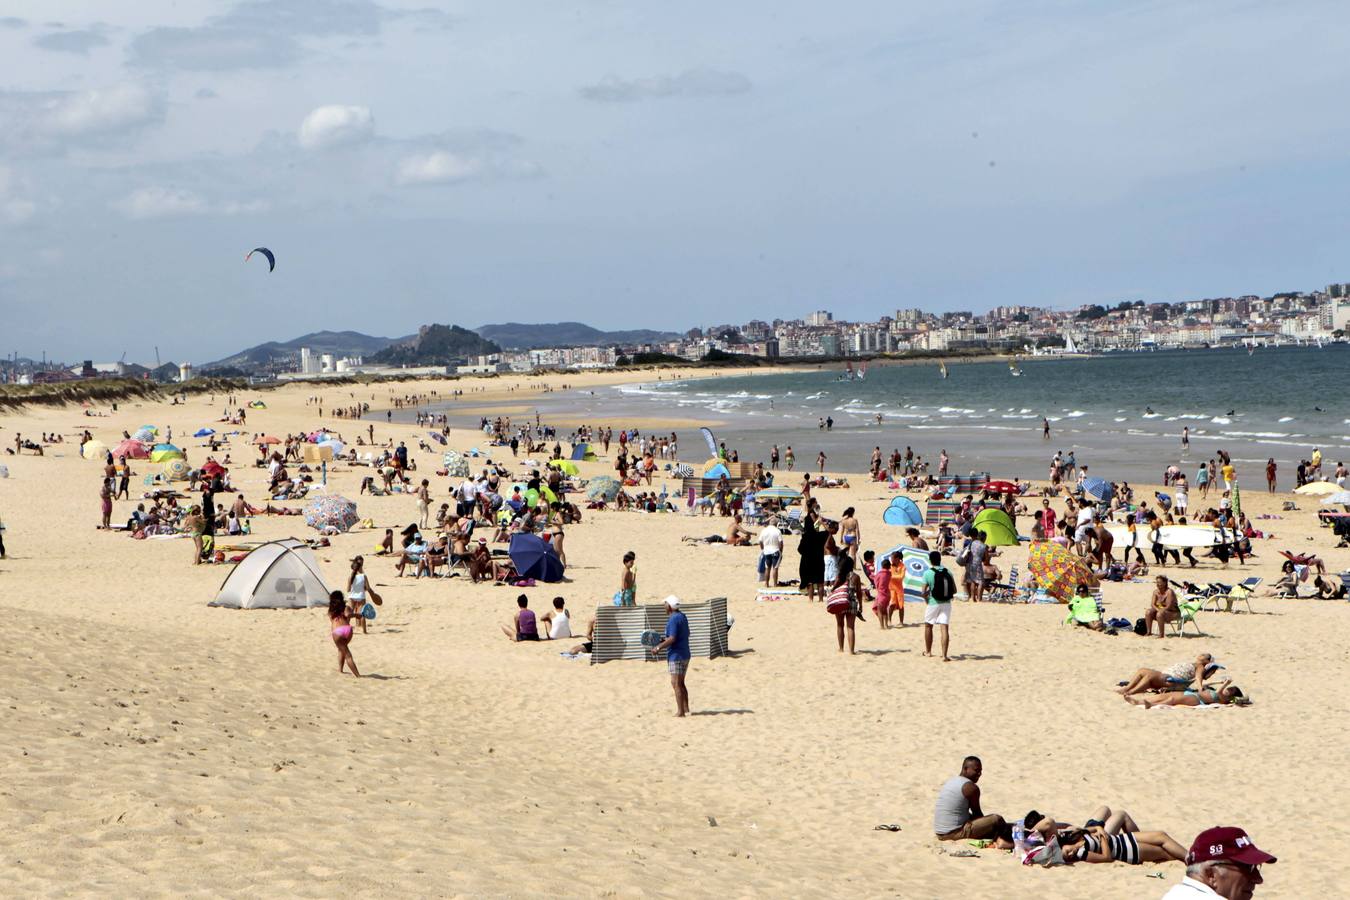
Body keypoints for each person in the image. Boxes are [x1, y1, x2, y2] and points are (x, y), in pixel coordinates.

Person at [1161, 825, 1276, 899]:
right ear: (1211, 875)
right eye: (1247, 868)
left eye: (1256, 867)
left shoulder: (1174, 894)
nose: (1258, 879)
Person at [933, 756, 1013, 848]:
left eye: (981, 771)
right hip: (953, 833)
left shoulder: (952, 781)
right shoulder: (970, 787)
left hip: (940, 832)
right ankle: (1005, 841)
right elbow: (977, 813)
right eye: (976, 770)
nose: (979, 773)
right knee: (996, 819)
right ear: (965, 769)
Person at [1116, 653, 1223, 696]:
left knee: (1149, 676)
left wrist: (1200, 688)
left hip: (1171, 680)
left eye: (1204, 655)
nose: (1201, 654)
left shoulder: (1200, 667)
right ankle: (1128, 688)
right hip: (1165, 676)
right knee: (1142, 670)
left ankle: (1131, 692)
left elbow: (1198, 677)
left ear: (1207, 661)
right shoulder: (1195, 664)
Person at [654, 595, 691, 717]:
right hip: (685, 653)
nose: (663, 606)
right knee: (681, 683)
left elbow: (673, 638)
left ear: (669, 606)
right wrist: (664, 639)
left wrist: (659, 647)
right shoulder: (682, 616)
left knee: (675, 683)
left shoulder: (673, 619)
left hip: (676, 655)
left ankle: (680, 712)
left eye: (665, 604)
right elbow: (681, 635)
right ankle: (685, 708)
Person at [922, 550, 956, 661]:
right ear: (940, 560)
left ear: (930, 561)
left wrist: (926, 599)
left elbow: (923, 592)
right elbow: (954, 590)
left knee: (928, 626)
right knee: (944, 627)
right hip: (946, 603)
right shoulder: (948, 572)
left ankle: (928, 651)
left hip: (933, 602)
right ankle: (944, 655)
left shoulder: (928, 573)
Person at [825, 553, 862, 654]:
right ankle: (851, 650)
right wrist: (861, 606)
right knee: (851, 627)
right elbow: (859, 593)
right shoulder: (856, 577)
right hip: (852, 603)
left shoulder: (839, 576)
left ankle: (841, 648)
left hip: (840, 601)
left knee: (840, 625)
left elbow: (833, 589)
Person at [1125, 679, 1245, 708]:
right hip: (1191, 693)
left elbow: (1219, 693)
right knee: (1164, 696)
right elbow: (1203, 685)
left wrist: (1225, 684)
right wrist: (1219, 681)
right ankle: (1137, 702)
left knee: (1172, 700)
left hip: (1196, 699)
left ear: (1231, 695)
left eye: (1229, 690)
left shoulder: (1223, 699)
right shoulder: (1218, 692)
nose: (1226, 690)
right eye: (1228, 688)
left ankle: (1151, 705)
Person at [328, 590, 360, 677]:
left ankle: (358, 675)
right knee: (342, 649)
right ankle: (340, 669)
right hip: (348, 630)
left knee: (347, 655)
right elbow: (348, 615)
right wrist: (357, 615)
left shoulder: (331, 612)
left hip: (337, 632)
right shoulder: (346, 607)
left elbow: (333, 621)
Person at [346, 556, 380, 635]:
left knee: (349, 614)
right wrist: (363, 588)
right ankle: (364, 631)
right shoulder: (364, 576)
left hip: (352, 597)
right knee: (362, 614)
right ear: (360, 567)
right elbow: (368, 588)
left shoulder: (350, 577)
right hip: (361, 597)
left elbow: (348, 590)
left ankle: (347, 630)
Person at [758, 520, 783, 587]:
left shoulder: (764, 530)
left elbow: (760, 541)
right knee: (775, 568)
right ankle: (775, 584)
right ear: (776, 524)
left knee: (767, 568)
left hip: (766, 551)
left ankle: (766, 583)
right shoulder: (777, 531)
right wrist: (780, 551)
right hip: (775, 550)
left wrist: (763, 549)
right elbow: (781, 543)